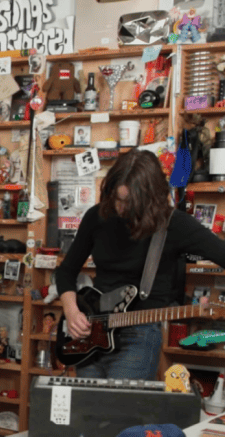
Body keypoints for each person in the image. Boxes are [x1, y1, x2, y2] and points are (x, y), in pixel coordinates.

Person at [56, 149, 225, 380]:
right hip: (91, 334)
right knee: (89, 411)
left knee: (121, 412)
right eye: (116, 199)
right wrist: (71, 310)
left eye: (129, 202)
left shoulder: (174, 225)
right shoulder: (97, 216)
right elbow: (66, 270)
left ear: (150, 199)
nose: (119, 208)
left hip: (139, 335)